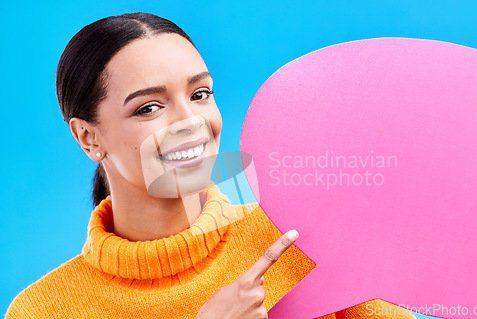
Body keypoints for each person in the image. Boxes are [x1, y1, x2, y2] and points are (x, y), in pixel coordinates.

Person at [5, 12, 416, 319]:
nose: (191, 123)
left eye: (200, 94)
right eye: (149, 107)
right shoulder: (43, 309)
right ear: (88, 137)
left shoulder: (299, 248)